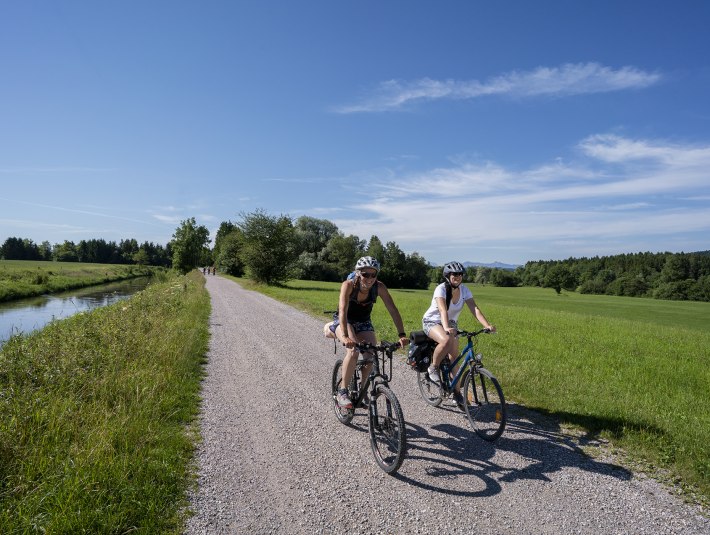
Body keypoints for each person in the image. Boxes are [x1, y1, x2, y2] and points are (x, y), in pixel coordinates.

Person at [324, 256, 409, 409]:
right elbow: (343, 310)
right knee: (354, 351)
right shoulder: (348, 285)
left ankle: (362, 392)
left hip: (363, 321)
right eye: (365, 274)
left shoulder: (379, 287)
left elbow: (393, 310)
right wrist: (344, 335)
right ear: (358, 273)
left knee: (371, 355)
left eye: (373, 274)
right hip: (345, 320)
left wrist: (402, 335)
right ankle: (343, 391)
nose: (369, 278)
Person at [422, 261, 496, 407]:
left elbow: (474, 308)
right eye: (454, 274)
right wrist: (446, 328)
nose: (458, 276)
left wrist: (486, 325)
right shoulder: (441, 289)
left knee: (453, 359)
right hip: (432, 321)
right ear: (448, 276)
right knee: (445, 340)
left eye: (460, 274)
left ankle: (457, 394)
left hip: (450, 324)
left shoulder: (465, 290)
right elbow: (443, 310)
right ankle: (433, 367)